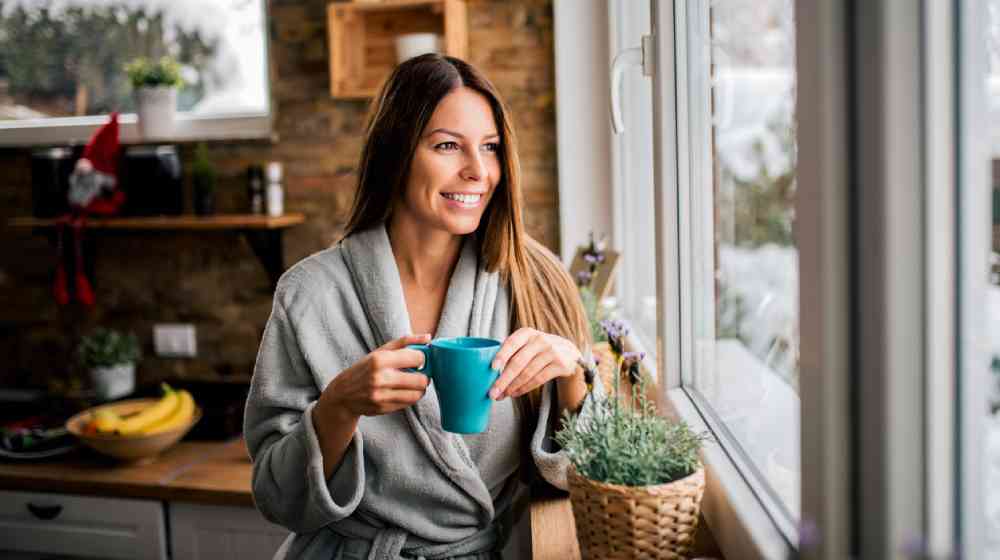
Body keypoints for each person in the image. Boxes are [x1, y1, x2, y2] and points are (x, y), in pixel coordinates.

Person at [244, 53, 601, 560]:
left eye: (491, 148)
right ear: (397, 153)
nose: (478, 170)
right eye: (448, 145)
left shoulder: (534, 278)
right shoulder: (309, 294)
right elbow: (277, 498)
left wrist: (571, 375)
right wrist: (338, 407)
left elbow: (588, 475)